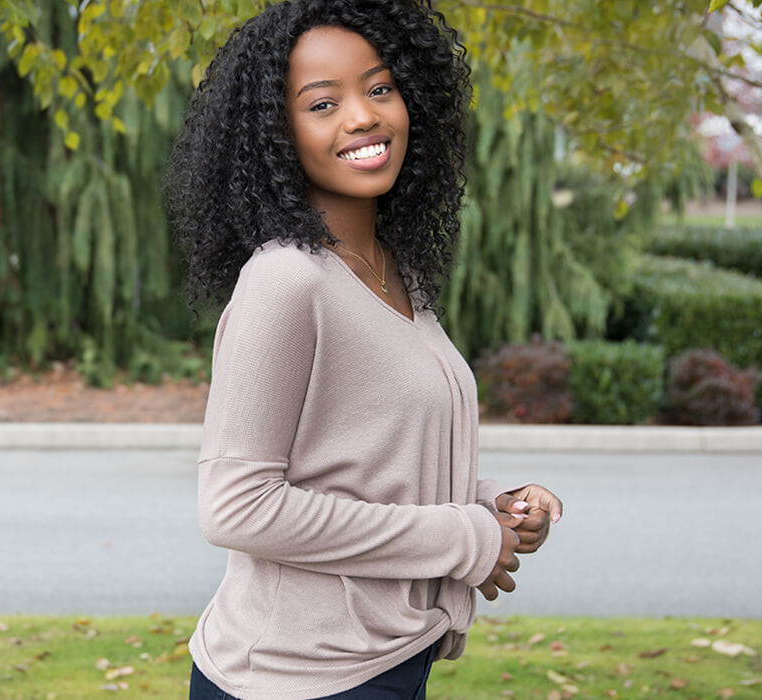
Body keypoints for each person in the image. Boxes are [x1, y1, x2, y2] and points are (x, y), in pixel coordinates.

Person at [164, 1, 564, 698]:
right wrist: (463, 538)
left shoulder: (390, 267)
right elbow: (236, 506)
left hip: (386, 661)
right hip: (290, 679)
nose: (363, 116)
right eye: (323, 103)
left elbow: (367, 466)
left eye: (380, 88)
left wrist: (491, 505)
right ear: (275, 132)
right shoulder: (287, 280)